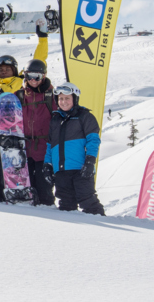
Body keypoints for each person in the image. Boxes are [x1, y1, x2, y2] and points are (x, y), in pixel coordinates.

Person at [43, 82, 105, 215]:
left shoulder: (85, 116)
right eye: (60, 99)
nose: (63, 102)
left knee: (88, 201)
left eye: (67, 98)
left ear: (74, 99)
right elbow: (50, 145)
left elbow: (93, 140)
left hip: (80, 169)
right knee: (66, 204)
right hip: (61, 170)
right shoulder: (55, 120)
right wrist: (47, 165)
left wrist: (90, 160)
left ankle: (102, 229)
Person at [16, 59, 56, 206]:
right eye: (29, 75)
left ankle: (48, 209)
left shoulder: (51, 96)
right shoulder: (19, 95)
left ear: (44, 76)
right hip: (24, 150)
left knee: (44, 186)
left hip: (45, 150)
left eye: (37, 76)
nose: (33, 80)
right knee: (27, 187)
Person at [0, 27, 49, 94]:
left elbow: (38, 62)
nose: (4, 71)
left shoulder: (23, 80)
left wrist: (42, 39)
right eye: (0, 69)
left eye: (8, 69)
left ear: (14, 70)